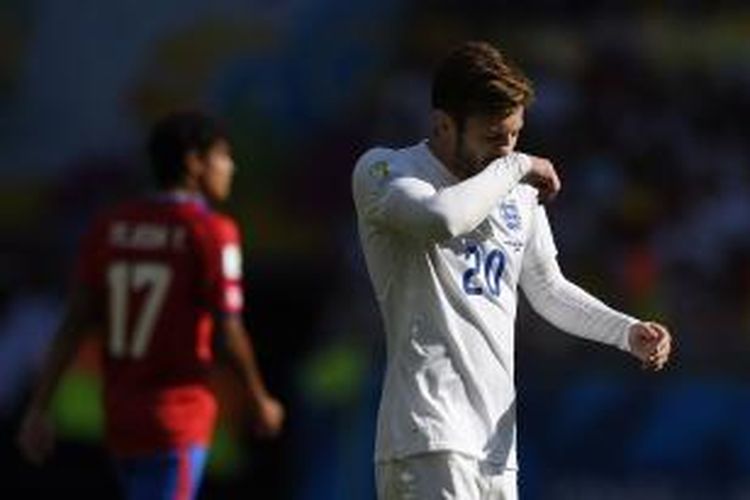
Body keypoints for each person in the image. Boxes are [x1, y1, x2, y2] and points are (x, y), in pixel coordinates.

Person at [352, 41, 672, 500]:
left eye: (515, 135)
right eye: (493, 136)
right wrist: (519, 164)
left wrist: (627, 331)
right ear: (444, 124)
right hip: (429, 434)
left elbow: (547, 288)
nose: (505, 149)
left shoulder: (513, 188)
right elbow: (442, 221)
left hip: (497, 449)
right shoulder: (387, 170)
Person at [17, 111, 284, 499]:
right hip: (176, 416)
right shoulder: (211, 232)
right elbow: (228, 328)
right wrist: (259, 398)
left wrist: (39, 406)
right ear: (194, 163)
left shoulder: (108, 226)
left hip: (121, 416)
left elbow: (74, 323)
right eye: (223, 156)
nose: (231, 167)